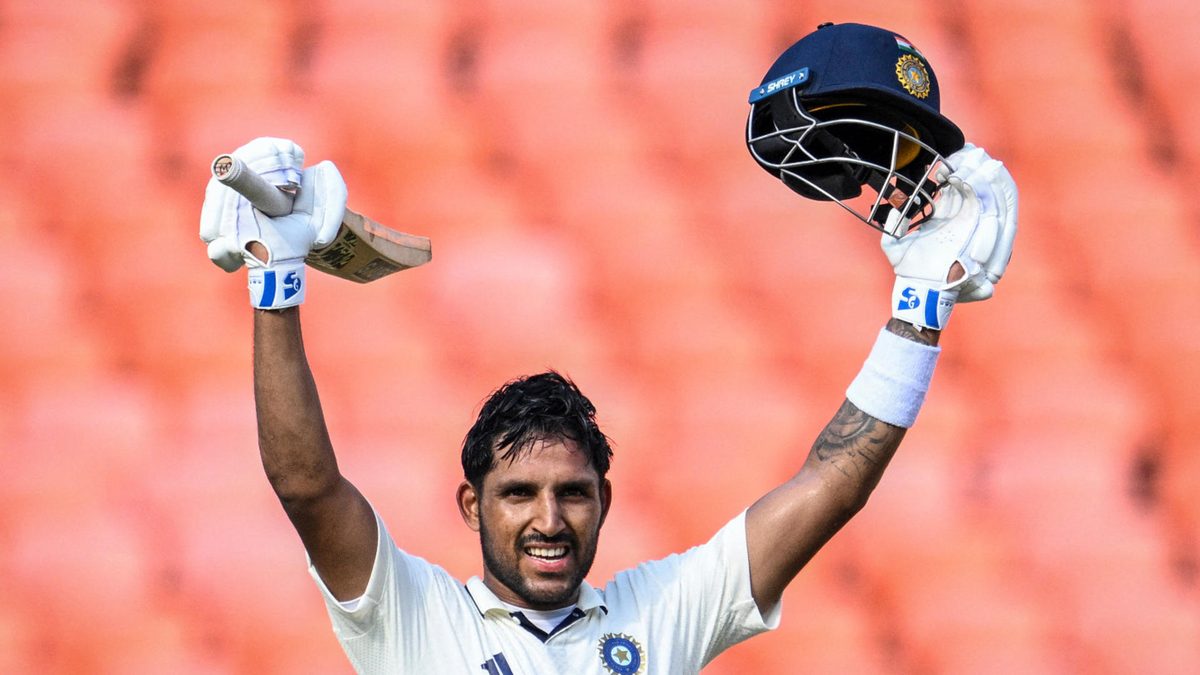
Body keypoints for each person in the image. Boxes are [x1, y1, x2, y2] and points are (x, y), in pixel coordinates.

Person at [198, 22, 1017, 674]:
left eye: (573, 493)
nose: (548, 520)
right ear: (470, 505)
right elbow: (306, 487)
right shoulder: (411, 618)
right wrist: (278, 283)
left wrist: (920, 307)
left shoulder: (656, 615)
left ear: (606, 502)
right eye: (518, 492)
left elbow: (832, 486)